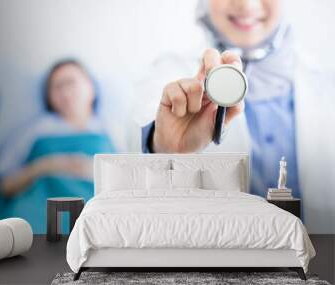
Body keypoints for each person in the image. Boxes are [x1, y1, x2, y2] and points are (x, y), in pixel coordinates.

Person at [139, 0, 335, 233]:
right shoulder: (168, 71)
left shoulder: (325, 76)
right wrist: (166, 149)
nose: (246, 4)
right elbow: (132, 148)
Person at [0, 59, 115, 233]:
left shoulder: (111, 130)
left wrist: (93, 171)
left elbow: (130, 183)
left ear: (91, 88)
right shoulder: (36, 130)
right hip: (38, 211)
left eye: (71, 82)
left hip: (96, 212)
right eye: (57, 86)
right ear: (49, 97)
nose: (66, 92)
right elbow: (3, 186)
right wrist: (49, 165)